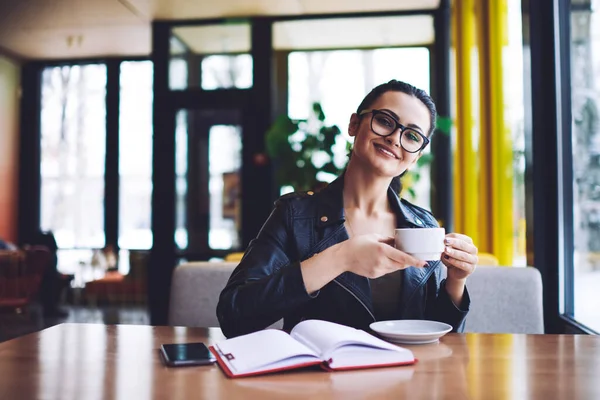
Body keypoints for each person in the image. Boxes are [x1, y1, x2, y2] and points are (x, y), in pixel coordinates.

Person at [217, 80, 479, 338]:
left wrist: (456, 281)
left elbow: (441, 339)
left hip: (408, 376)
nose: (395, 139)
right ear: (355, 124)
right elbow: (234, 316)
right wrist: (341, 257)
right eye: (385, 121)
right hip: (321, 376)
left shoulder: (423, 225)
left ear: (417, 154)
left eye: (412, 136)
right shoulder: (295, 215)